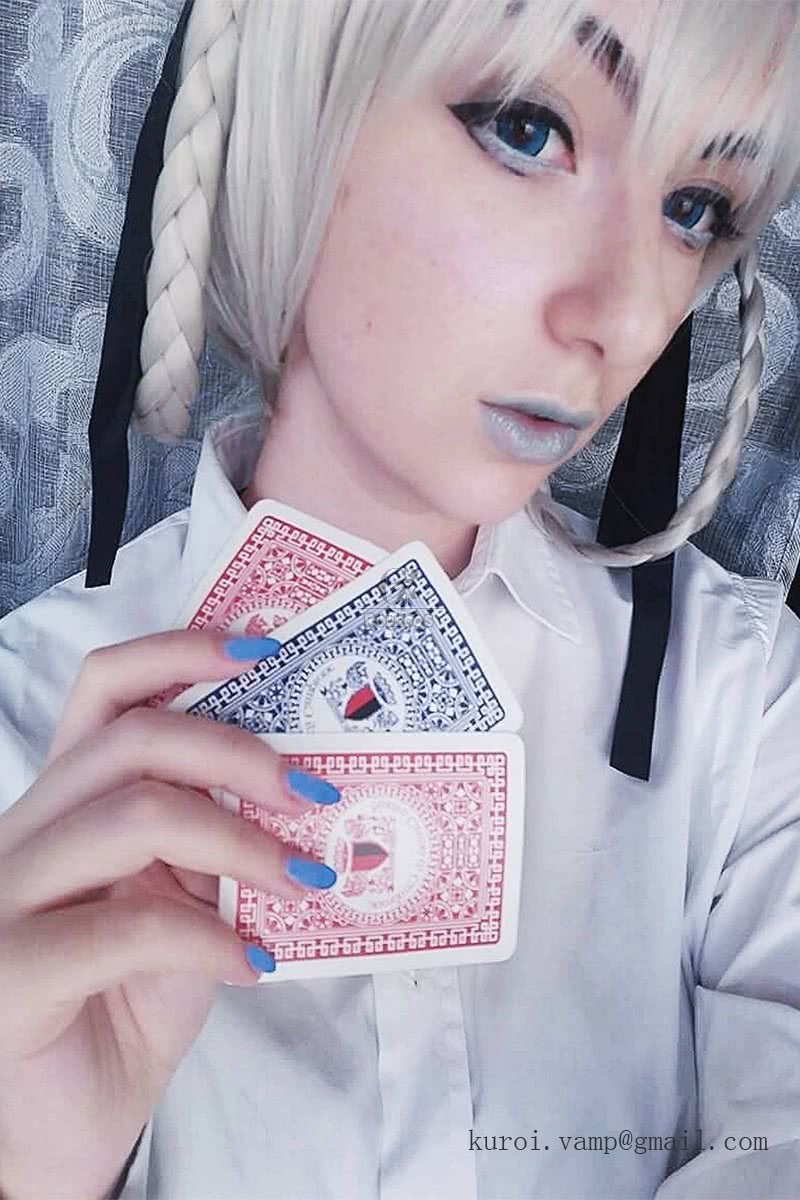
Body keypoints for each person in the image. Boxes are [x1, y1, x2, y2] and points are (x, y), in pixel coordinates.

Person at [1, 0, 799, 1197]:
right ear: (302, 107)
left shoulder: (743, 705)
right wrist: (39, 1169)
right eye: (526, 128)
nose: (628, 318)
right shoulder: (25, 723)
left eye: (694, 208)